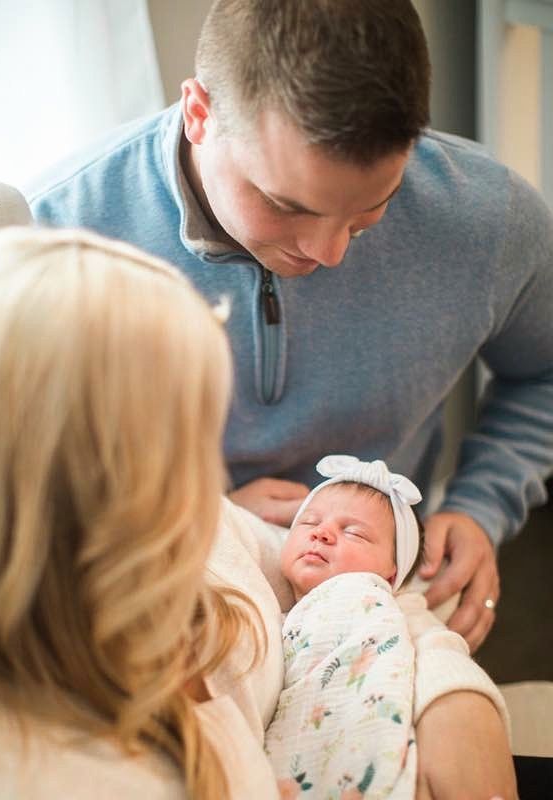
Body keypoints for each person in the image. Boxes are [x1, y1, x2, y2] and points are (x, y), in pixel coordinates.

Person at [0, 226, 516, 799]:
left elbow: (373, 586)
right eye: (187, 441)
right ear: (90, 480)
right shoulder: (22, 769)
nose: (213, 477)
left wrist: (451, 694)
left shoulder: (202, 531)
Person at [28, 0, 553, 654]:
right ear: (199, 114)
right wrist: (198, 521)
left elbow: (544, 373)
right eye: (286, 205)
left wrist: (481, 504)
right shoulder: (51, 236)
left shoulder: (489, 219)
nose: (328, 253)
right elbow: (25, 480)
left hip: (385, 597)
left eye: (370, 210)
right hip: (162, 596)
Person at [266, 455, 424, 798]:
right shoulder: (272, 607)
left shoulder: (363, 601)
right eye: (309, 522)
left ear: (389, 575)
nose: (322, 533)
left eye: (352, 532)